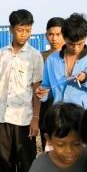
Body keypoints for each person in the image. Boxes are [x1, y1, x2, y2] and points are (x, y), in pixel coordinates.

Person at [0, 9, 44, 172]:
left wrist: (36, 118)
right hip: (3, 116)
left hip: (24, 117)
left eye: (28, 30)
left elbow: (37, 90)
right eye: (20, 30)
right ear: (12, 29)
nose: (24, 34)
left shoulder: (34, 56)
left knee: (26, 163)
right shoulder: (2, 54)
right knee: (4, 161)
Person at [36, 13, 87, 109]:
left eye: (80, 44)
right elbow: (47, 89)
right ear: (64, 37)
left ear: (85, 38)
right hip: (58, 117)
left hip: (82, 117)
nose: (76, 48)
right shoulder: (52, 60)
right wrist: (42, 94)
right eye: (71, 44)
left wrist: (86, 80)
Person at [39, 17, 65, 150]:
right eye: (51, 34)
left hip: (66, 113)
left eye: (58, 34)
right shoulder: (40, 57)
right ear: (46, 35)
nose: (54, 38)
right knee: (48, 152)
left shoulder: (70, 56)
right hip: (45, 112)